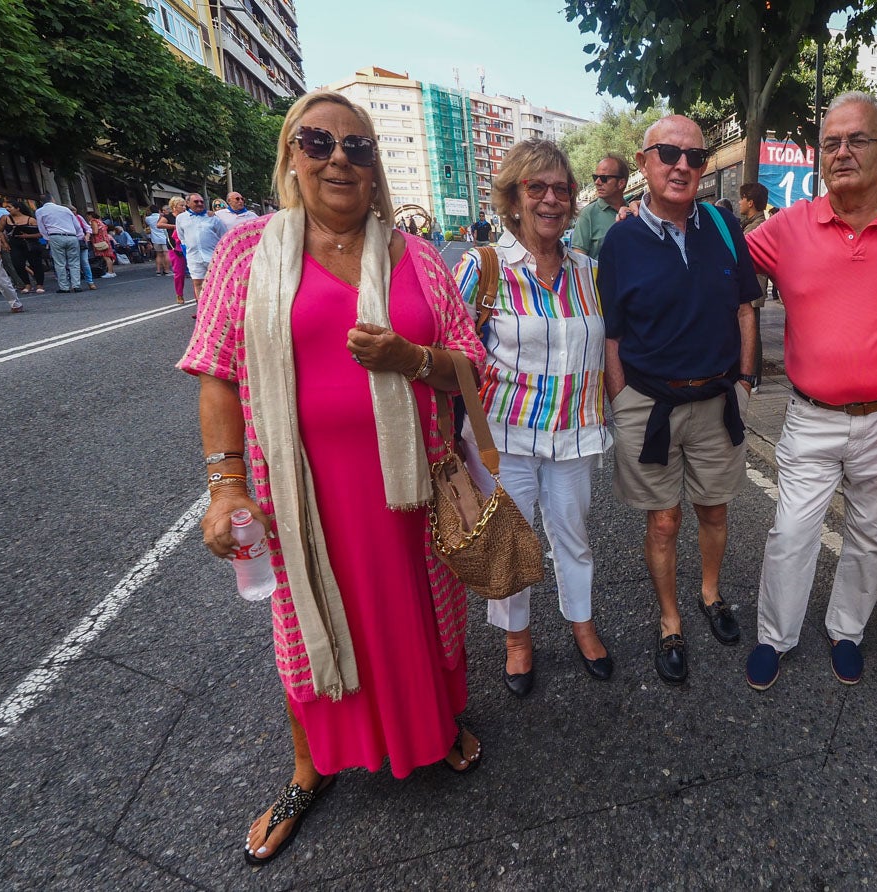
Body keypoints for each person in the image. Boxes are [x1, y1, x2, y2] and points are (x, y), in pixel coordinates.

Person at [179, 90, 486, 866]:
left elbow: (470, 367)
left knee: (423, 610)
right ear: (291, 157)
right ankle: (307, 770)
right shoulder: (249, 252)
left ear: (376, 167)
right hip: (303, 495)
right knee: (306, 623)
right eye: (318, 143)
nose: (340, 158)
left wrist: (408, 359)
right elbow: (216, 373)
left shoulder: (417, 258)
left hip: (412, 487)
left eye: (358, 146)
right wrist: (225, 487)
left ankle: (434, 726)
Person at [743, 93, 877, 690]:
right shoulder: (788, 227)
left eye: (856, 140)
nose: (841, 152)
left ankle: (847, 630)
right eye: (831, 142)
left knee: (872, 534)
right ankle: (775, 636)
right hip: (810, 416)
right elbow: (725, 265)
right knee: (791, 531)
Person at [597, 115, 762, 685]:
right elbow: (612, 332)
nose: (683, 165)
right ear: (644, 163)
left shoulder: (721, 224)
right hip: (648, 404)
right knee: (663, 522)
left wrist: (745, 382)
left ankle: (710, 593)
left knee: (714, 510)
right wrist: (619, 402)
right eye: (669, 153)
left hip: (719, 399)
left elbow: (746, 308)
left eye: (695, 156)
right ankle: (670, 619)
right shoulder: (620, 238)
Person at [451, 139, 614, 697]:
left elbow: (609, 346)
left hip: (574, 433)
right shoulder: (483, 268)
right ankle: (517, 639)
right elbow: (451, 350)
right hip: (504, 437)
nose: (551, 199)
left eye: (561, 189)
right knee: (510, 543)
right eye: (536, 187)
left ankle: (582, 624)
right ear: (513, 198)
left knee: (574, 535)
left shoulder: (590, 272)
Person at [737, 182, 770, 386]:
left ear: (750, 202)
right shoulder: (749, 224)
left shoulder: (757, 227)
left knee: (752, 333)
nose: (739, 202)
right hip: (750, 287)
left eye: (742, 198)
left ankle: (755, 378)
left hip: (754, 287)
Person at [571, 153, 629, 259]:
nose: (597, 182)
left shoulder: (633, 213)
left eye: (603, 178)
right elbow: (578, 260)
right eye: (595, 177)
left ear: (621, 183)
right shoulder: (587, 215)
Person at [176, 193, 230, 300]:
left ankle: (219, 309)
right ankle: (203, 311)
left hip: (213, 257)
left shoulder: (213, 218)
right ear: (188, 203)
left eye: (201, 202)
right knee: (198, 284)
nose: (200, 204)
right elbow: (182, 237)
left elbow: (224, 236)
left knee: (217, 284)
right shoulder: (181, 218)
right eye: (196, 202)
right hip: (194, 257)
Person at [34, 194, 86, 292]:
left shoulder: (40, 211)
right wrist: (79, 236)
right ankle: (76, 285)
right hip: (71, 236)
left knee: (59, 263)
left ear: (41, 202)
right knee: (74, 262)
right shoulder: (65, 209)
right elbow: (77, 225)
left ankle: (64, 287)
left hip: (55, 236)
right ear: (53, 199)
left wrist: (47, 238)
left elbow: (41, 227)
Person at [0, 196, 27, 291]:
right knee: (19, 262)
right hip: (16, 240)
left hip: (6, 242)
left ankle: (20, 283)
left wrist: (1, 244)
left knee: (9, 264)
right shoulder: (6, 212)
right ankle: (25, 282)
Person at [5, 201, 47, 294]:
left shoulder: (31, 220)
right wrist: (5, 243)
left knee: (36, 264)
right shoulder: (5, 219)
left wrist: (26, 236)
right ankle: (27, 284)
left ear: (17, 208)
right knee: (18, 264)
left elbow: (40, 233)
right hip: (14, 243)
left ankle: (39, 284)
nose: (7, 209)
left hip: (30, 243)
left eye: (9, 207)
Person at [86, 211, 117, 277]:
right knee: (108, 256)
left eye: (88, 216)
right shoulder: (100, 221)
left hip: (100, 241)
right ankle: (112, 271)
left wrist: (88, 233)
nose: (87, 218)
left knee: (106, 257)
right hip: (105, 240)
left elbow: (95, 231)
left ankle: (109, 272)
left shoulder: (93, 221)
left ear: (90, 216)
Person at [144, 205, 170, 276]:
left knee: (158, 254)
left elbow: (146, 223)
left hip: (155, 238)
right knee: (166, 253)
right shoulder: (162, 217)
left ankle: (158, 271)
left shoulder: (148, 219)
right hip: (164, 237)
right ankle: (167, 270)